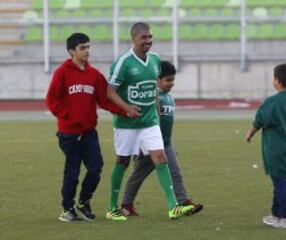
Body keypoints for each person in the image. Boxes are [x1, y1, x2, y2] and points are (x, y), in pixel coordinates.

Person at [106, 22, 194, 221]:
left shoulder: (155, 60)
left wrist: (156, 111)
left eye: (150, 37)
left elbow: (153, 89)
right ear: (134, 39)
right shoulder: (123, 62)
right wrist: (127, 108)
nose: (148, 41)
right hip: (126, 123)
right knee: (122, 163)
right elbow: (109, 92)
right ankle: (112, 207)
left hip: (150, 122)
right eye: (144, 37)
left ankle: (174, 206)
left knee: (161, 158)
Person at [46, 33, 130, 222]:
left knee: (96, 167)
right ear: (71, 51)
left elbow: (104, 99)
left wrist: (126, 111)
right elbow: (52, 99)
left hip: (89, 132)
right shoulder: (62, 72)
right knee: (73, 171)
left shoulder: (94, 75)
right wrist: (68, 116)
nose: (87, 51)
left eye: (88, 47)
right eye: (82, 48)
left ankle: (83, 202)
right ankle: (67, 209)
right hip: (69, 133)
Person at [119, 61, 203, 216]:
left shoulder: (170, 98)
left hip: (166, 144)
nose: (171, 83)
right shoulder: (151, 97)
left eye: (173, 80)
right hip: (148, 146)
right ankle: (126, 205)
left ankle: (183, 202)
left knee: (175, 173)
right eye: (168, 80)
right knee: (138, 176)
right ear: (157, 79)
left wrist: (170, 145)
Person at [245, 63, 286, 229]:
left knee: (280, 183)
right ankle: (276, 215)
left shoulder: (273, 101)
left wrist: (249, 133)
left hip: (277, 151)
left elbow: (260, 119)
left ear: (277, 81)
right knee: (280, 181)